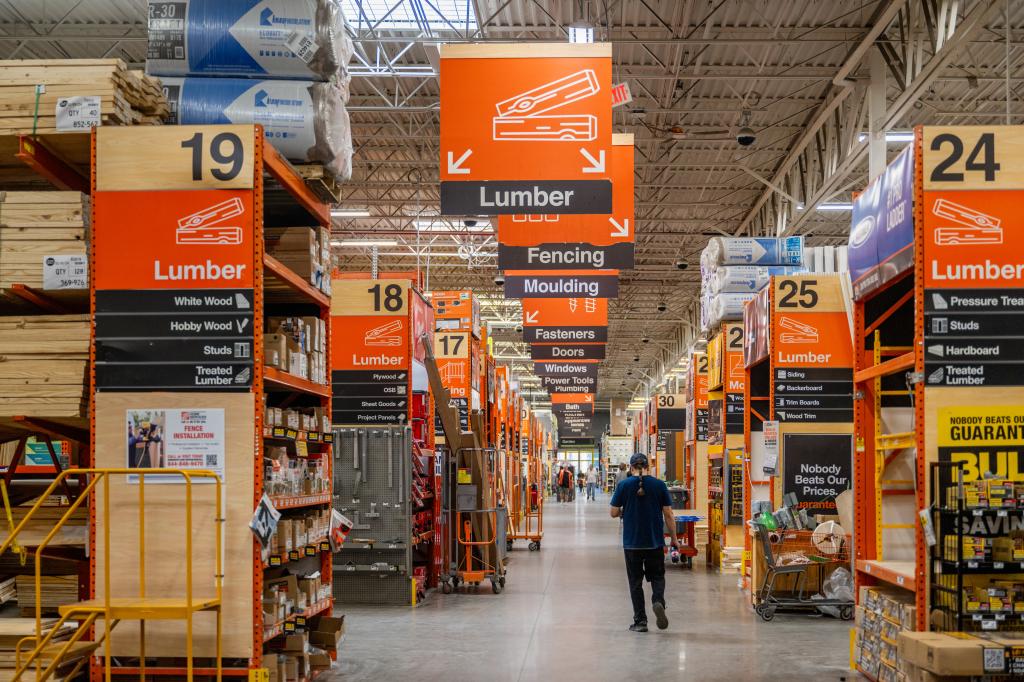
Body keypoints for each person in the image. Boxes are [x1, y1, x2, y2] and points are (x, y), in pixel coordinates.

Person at [610, 453, 679, 633]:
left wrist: (626, 508)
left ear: (631, 468)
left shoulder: (623, 485)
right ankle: (658, 601)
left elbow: (613, 512)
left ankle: (640, 621)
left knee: (635, 582)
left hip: (632, 543)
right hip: (654, 541)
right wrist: (674, 538)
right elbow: (669, 515)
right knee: (657, 577)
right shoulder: (659, 485)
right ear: (648, 467)